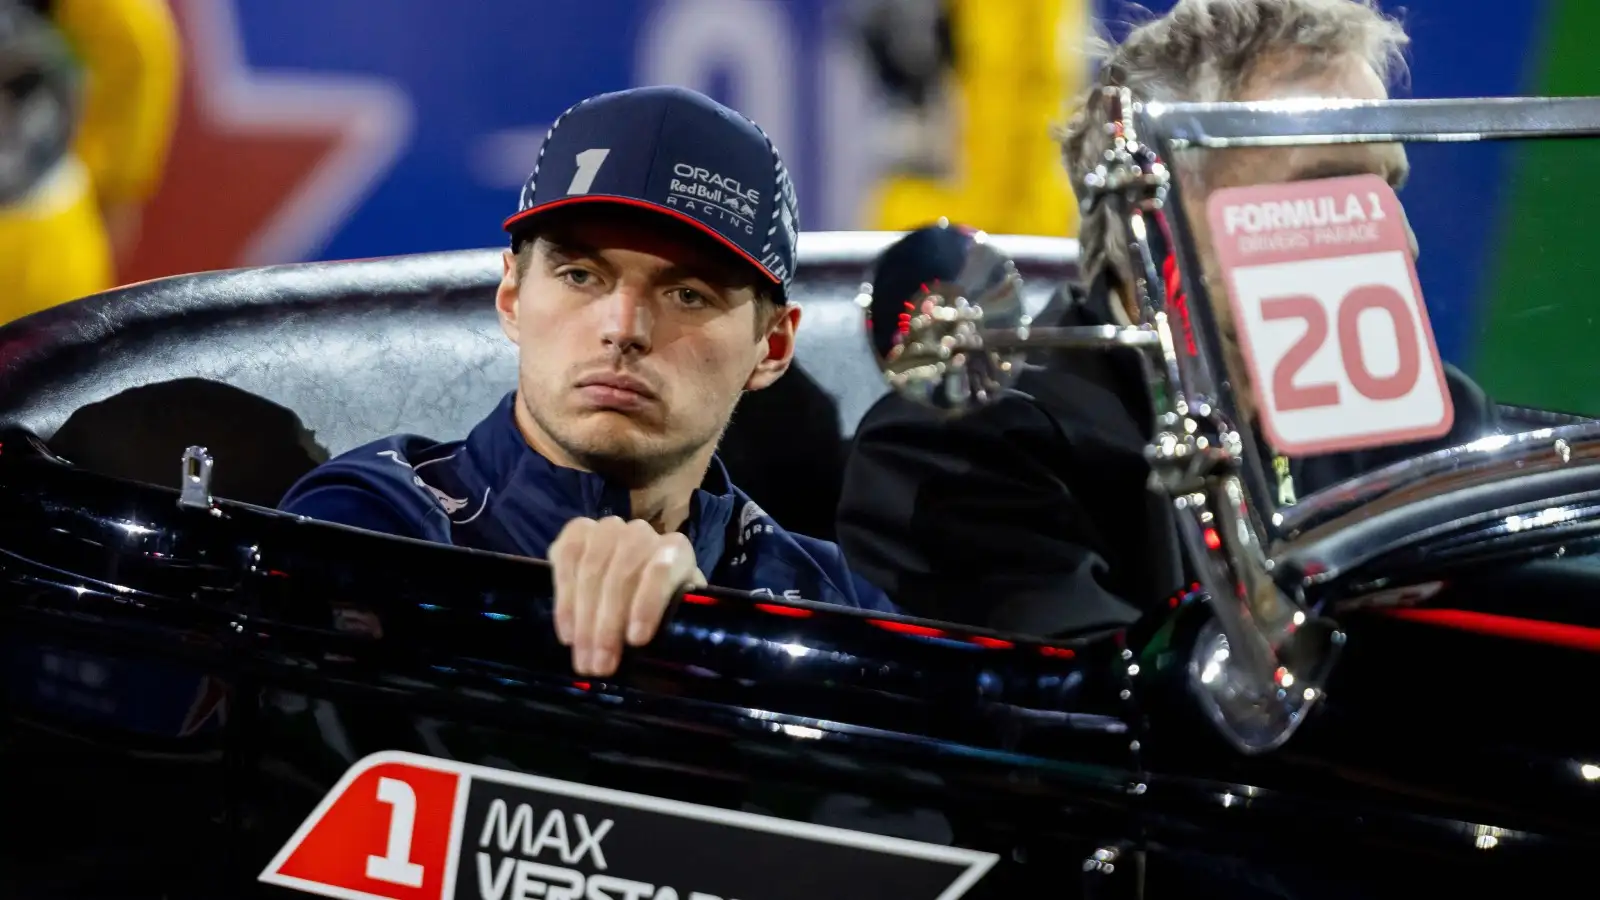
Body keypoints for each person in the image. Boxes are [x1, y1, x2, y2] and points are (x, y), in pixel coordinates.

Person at [836, 0, 1499, 637]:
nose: (1400, 241)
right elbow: (1105, 705)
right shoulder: (963, 453)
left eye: (1388, 187)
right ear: (1154, 214)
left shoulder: (1436, 432)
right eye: (1327, 185)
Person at [279, 86, 894, 678]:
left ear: (773, 346)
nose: (623, 329)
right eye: (580, 276)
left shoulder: (836, 609)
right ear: (512, 296)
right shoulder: (363, 525)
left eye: (688, 294)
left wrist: (706, 652)